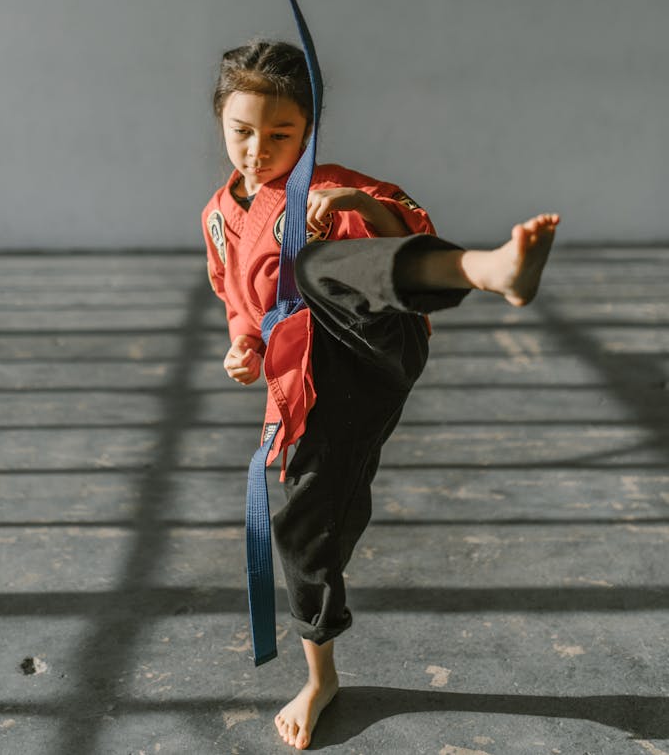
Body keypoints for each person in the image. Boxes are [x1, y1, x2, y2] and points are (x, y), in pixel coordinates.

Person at [202, 39, 559, 751]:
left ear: (309, 130)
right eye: (243, 130)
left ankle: (490, 269)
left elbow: (403, 230)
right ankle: (320, 676)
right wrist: (242, 346)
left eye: (282, 135)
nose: (257, 150)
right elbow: (238, 301)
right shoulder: (216, 215)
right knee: (302, 528)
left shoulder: (329, 184)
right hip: (310, 383)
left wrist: (360, 204)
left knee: (321, 259)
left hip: (378, 340)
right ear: (221, 120)